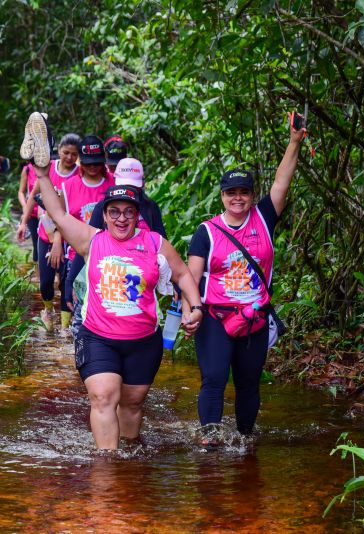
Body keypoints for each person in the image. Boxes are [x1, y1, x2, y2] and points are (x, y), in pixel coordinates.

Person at [22, 111, 205, 449]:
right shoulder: (91, 240)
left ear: (138, 214)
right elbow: (58, 214)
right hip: (98, 337)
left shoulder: (155, 243)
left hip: (143, 339)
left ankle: (129, 457)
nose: (122, 218)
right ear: (104, 215)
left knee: (132, 404)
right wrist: (42, 172)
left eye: (129, 212)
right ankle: (106, 468)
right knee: (104, 397)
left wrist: (195, 306)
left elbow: (182, 274)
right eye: (114, 212)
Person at [186, 113, 305, 446]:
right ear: (222, 196)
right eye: (231, 192)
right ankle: (210, 439)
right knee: (213, 378)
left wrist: (294, 142)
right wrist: (190, 310)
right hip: (215, 316)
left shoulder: (264, 218)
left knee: (249, 383)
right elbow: (191, 277)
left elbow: (282, 181)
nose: (237, 197)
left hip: (254, 317)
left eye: (244, 192)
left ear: (252, 195)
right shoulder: (206, 232)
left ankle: (244, 440)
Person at [64, 157, 167, 315]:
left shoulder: (150, 208)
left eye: (134, 187)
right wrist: (70, 281)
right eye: (125, 185)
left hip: (139, 283)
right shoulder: (103, 208)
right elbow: (87, 245)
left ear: (142, 184)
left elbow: (163, 247)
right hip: (107, 280)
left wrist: (177, 284)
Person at [23, 133, 81, 331]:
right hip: (45, 233)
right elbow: (32, 196)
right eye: (66, 153)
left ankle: (65, 328)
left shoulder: (79, 175)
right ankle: (48, 310)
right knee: (46, 281)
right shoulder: (49, 170)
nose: (69, 158)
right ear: (58, 151)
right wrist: (23, 223)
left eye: (74, 154)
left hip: (70, 236)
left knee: (66, 283)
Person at [59, 135, 114, 330]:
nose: (93, 167)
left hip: (109, 260)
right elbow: (59, 220)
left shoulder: (114, 185)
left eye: (98, 163)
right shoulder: (68, 187)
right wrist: (56, 243)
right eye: (89, 163)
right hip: (77, 258)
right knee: (80, 313)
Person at [17, 163, 40, 261]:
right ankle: (38, 271)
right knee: (36, 242)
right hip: (32, 213)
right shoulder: (27, 169)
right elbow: (21, 192)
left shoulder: (51, 166)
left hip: (48, 213)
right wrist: (25, 206)